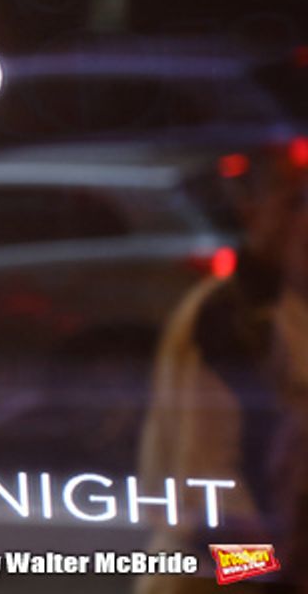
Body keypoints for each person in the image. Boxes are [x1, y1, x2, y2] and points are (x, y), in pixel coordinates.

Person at [137, 148, 308, 594]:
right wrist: (277, 570)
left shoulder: (284, 306)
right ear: (252, 211)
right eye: (294, 202)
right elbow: (209, 500)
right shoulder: (228, 318)